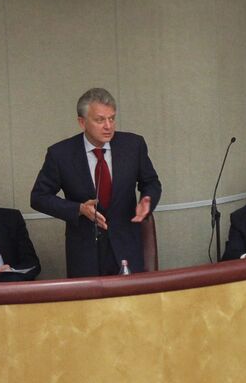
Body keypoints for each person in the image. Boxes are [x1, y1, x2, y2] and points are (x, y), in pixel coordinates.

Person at [30, 88, 162, 277]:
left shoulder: (133, 145)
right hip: (85, 253)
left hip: (126, 247)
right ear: (82, 122)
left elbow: (151, 182)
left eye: (112, 118)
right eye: (100, 120)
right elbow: (39, 197)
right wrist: (78, 209)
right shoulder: (61, 154)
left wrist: (148, 199)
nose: (108, 126)